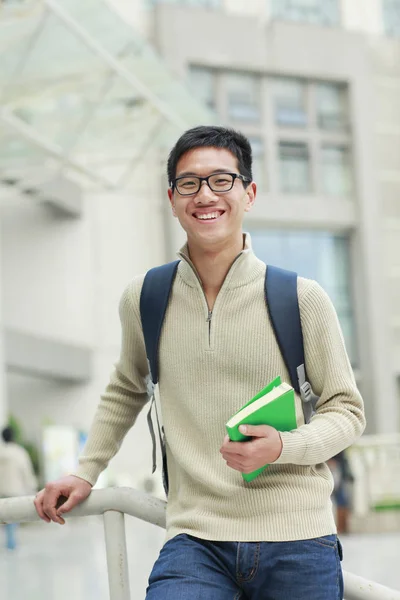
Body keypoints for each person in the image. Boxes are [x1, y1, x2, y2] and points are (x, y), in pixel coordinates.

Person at [34, 125, 366, 599]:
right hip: (195, 539)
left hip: (297, 536)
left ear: (248, 193)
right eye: (189, 183)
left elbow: (347, 412)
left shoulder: (301, 297)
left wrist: (282, 446)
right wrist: (86, 471)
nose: (205, 194)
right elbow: (127, 388)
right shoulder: (145, 297)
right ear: (172, 199)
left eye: (221, 180)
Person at [0, 425, 37, 550]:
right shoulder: (19, 452)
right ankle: (11, 544)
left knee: (4, 516)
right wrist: (32, 488)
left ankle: (9, 543)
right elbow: (26, 472)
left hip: (2, 490)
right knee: (12, 518)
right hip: (15, 490)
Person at [328, 450, 355, 534]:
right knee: (342, 501)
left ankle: (342, 527)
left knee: (341, 501)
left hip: (337, 471)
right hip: (341, 472)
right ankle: (343, 527)